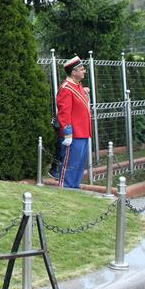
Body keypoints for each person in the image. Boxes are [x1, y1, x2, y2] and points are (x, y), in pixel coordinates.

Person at [56, 55, 91, 189]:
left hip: (82, 133)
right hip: (73, 135)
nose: (84, 71)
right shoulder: (66, 88)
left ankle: (74, 189)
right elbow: (64, 113)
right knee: (70, 166)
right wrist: (67, 133)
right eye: (81, 69)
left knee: (79, 165)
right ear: (74, 72)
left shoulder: (77, 86)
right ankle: (66, 190)